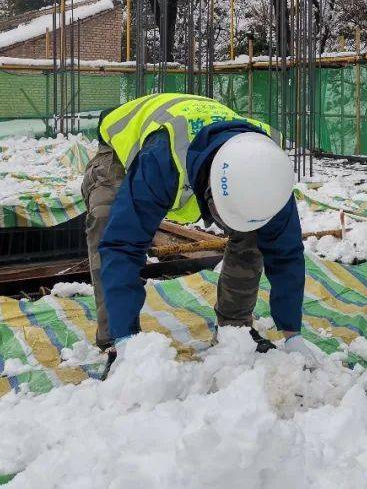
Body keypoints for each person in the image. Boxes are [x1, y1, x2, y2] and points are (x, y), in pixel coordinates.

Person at [80, 92, 317, 373]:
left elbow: (286, 253)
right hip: (121, 152)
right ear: (209, 189)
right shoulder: (162, 160)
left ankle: (234, 330)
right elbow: (122, 245)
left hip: (201, 148)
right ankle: (116, 341)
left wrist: (293, 335)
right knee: (108, 219)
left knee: (254, 233)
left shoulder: (267, 173)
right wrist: (127, 342)